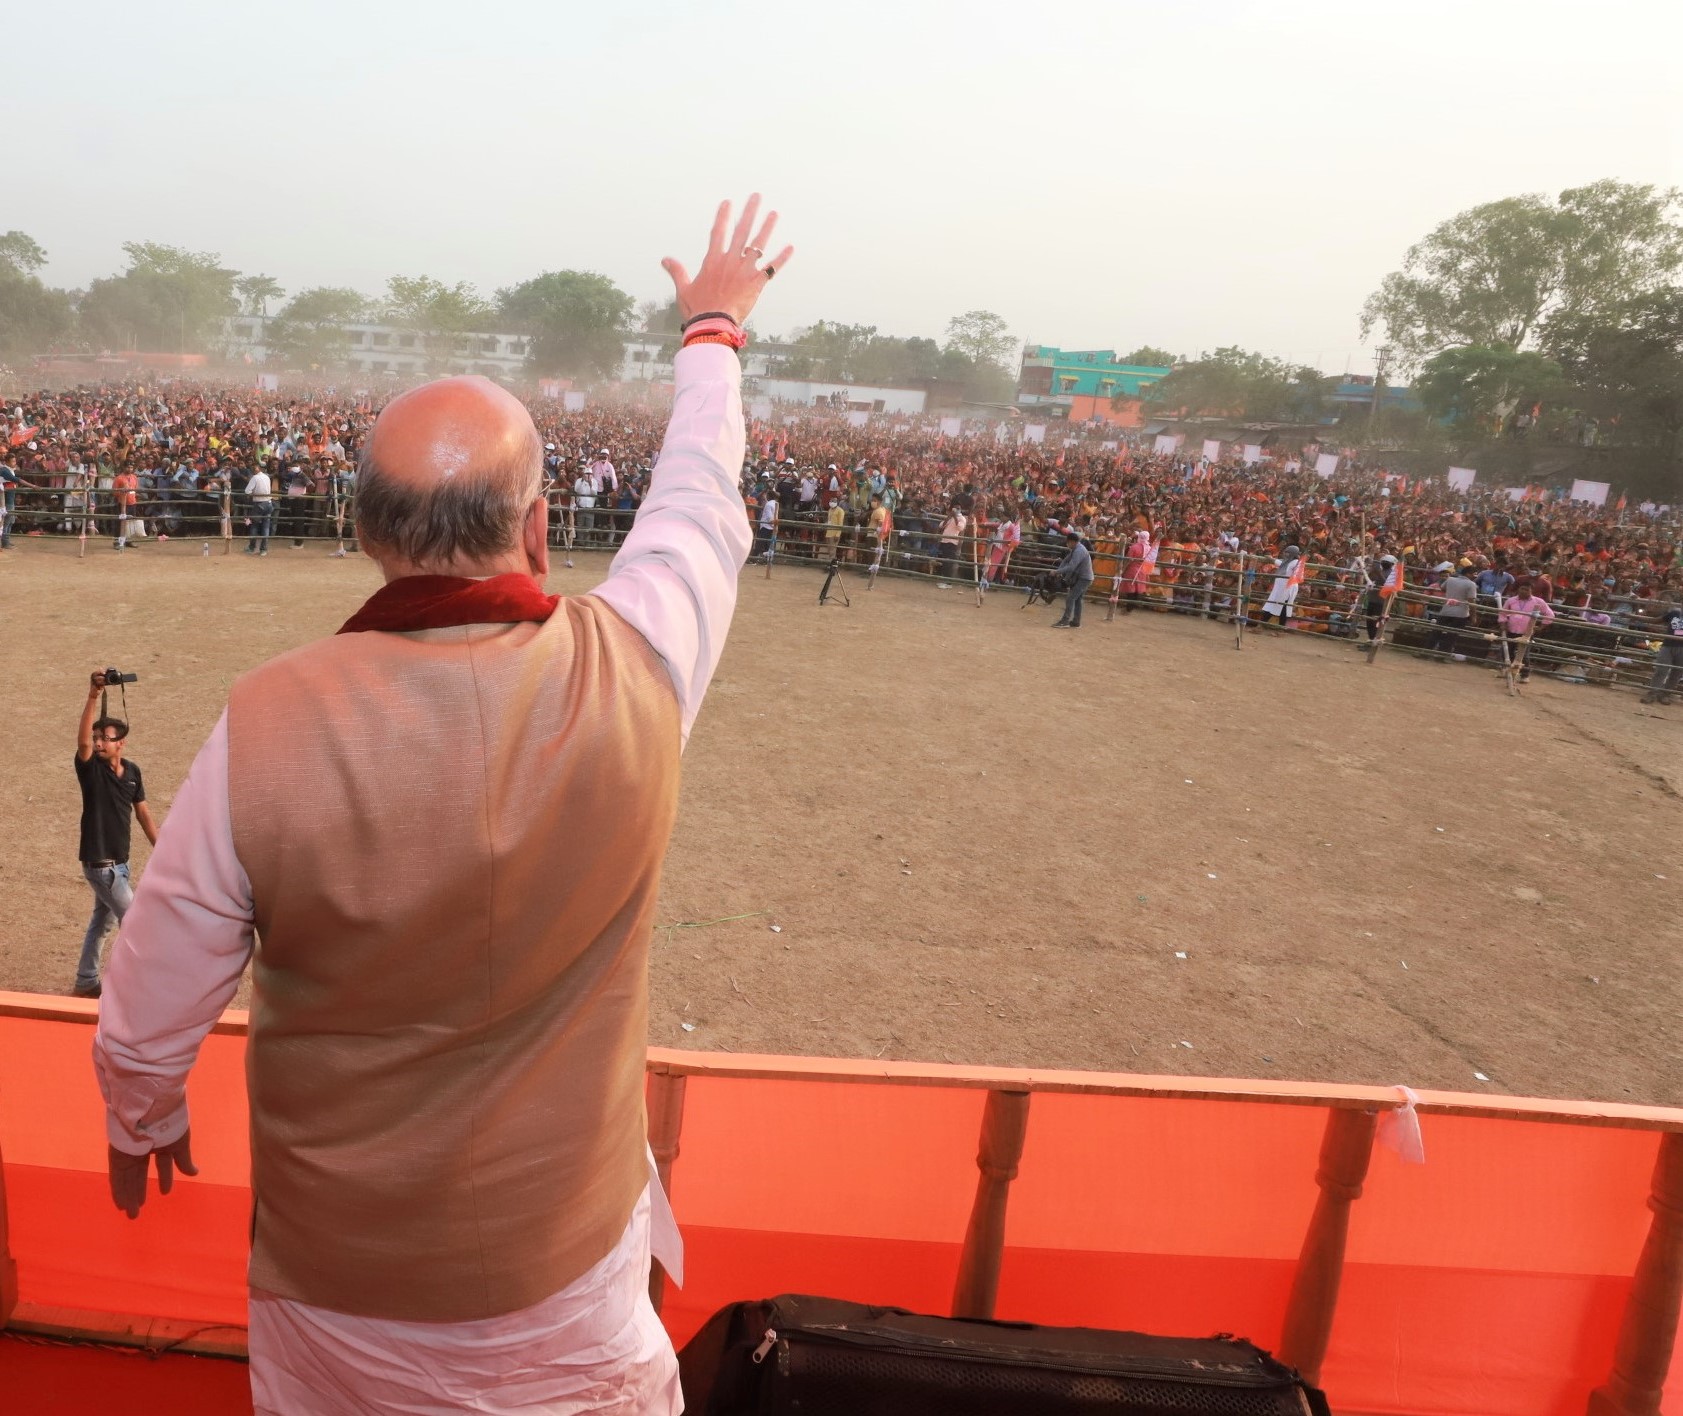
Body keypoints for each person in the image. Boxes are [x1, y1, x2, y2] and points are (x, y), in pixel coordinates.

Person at [91, 195, 792, 1415]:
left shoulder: (265, 720)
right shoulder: (640, 667)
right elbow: (698, 505)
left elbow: (159, 970)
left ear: (363, 534)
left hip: (338, 1287)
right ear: (538, 528)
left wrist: (141, 1112)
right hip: (565, 1272)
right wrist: (712, 334)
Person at [73, 671, 158, 997]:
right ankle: (134, 990)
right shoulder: (90, 769)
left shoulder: (133, 772)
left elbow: (144, 814)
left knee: (101, 922)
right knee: (136, 923)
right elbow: (81, 743)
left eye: (104, 738)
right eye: (96, 738)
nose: (97, 743)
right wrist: (93, 695)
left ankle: (85, 981)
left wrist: (162, 850)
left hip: (120, 864)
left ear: (120, 742)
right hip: (101, 865)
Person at [1496, 576, 1555, 682]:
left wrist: (1541, 626)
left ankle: (1525, 675)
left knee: (1524, 654)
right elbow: (1503, 613)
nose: (1523, 591)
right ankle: (1505, 670)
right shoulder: (1511, 600)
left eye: (1526, 590)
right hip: (1511, 629)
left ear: (1531, 591)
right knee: (1506, 651)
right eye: (1522, 589)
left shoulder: (1539, 602)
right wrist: (1503, 624)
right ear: (1518, 589)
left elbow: (1550, 615)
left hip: (1526, 632)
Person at [1426, 560, 1478, 658]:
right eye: (1474, 574)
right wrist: (1474, 616)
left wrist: (1453, 591)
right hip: (1460, 613)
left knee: (1436, 632)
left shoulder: (1450, 580)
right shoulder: (1471, 585)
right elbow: (1472, 601)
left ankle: (1426, 652)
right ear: (1468, 574)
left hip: (1446, 610)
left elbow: (1442, 588)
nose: (1476, 576)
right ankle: (1442, 656)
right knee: (1452, 636)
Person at [1641, 601, 1683, 705]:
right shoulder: (1674, 613)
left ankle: (1665, 694)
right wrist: (1636, 617)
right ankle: (1653, 693)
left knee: (1676, 673)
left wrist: (1675, 633)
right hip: (1668, 645)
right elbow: (1656, 620)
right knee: (1661, 669)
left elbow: (1673, 632)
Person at [1051, 527, 1094, 628]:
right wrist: (1059, 571)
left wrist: (1057, 571)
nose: (1067, 544)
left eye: (1068, 542)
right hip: (1084, 578)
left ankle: (1065, 621)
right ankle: (1076, 621)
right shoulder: (1076, 548)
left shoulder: (1079, 551)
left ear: (1072, 542)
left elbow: (1071, 566)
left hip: (1084, 578)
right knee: (1078, 599)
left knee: (1071, 598)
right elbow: (1065, 560)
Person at [1258, 544, 1302, 629]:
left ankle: (1275, 628)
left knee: (1283, 607)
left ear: (1292, 554)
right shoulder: (1287, 561)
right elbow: (1282, 564)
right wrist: (1272, 559)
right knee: (1273, 604)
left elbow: (1286, 567)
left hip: (1288, 588)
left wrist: (1272, 560)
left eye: (1287, 552)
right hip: (1281, 588)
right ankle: (1261, 626)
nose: (1285, 554)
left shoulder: (1295, 562)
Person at [244, 463, 274, 555]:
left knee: (254, 526)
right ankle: (263, 549)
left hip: (259, 504)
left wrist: (253, 493)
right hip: (268, 503)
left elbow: (247, 491)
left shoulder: (255, 478)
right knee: (265, 527)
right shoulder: (267, 477)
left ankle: (252, 547)